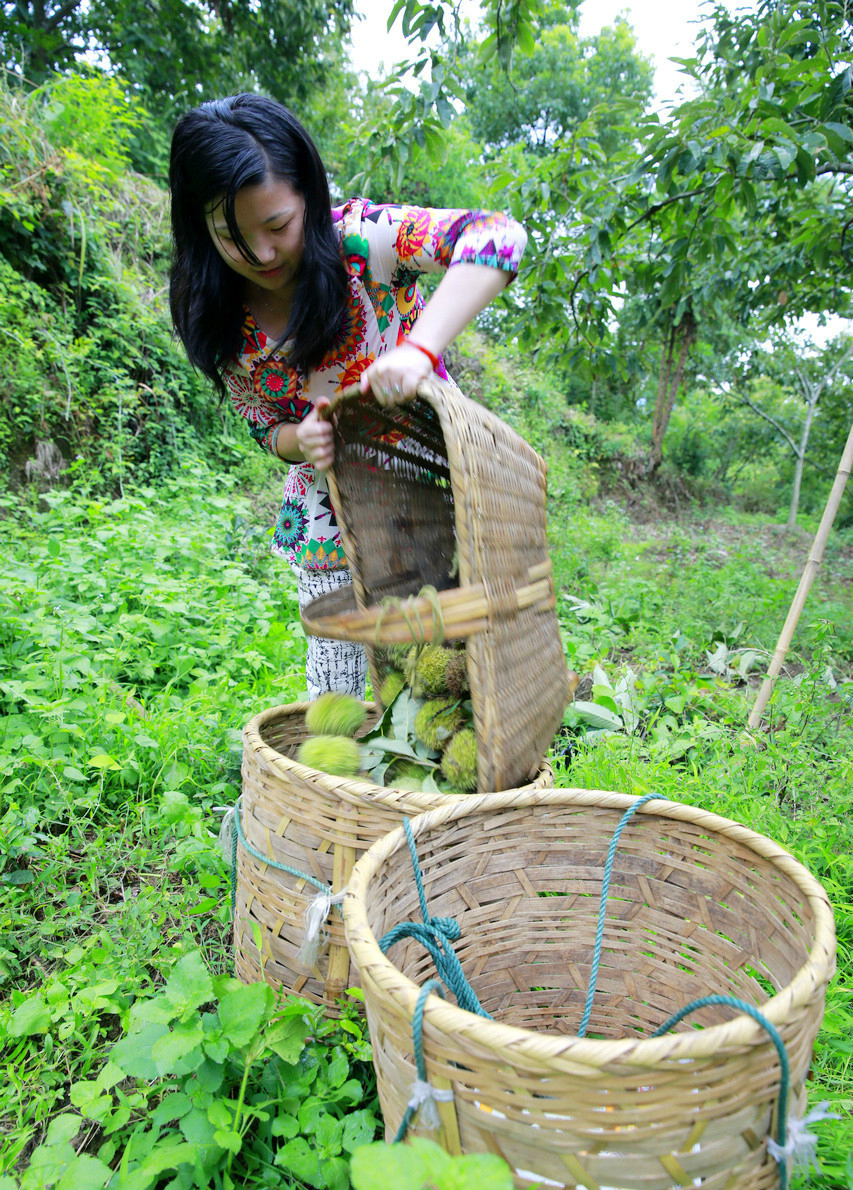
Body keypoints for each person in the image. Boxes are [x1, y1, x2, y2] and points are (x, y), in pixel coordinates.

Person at [169, 93, 527, 700]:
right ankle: (334, 792)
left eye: (277, 224)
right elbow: (264, 427)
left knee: (448, 670)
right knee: (338, 687)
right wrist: (298, 439)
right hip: (331, 512)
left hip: (433, 483)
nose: (261, 254)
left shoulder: (363, 242)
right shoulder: (218, 312)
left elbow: (499, 236)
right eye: (232, 237)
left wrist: (421, 350)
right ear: (200, 229)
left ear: (307, 194)